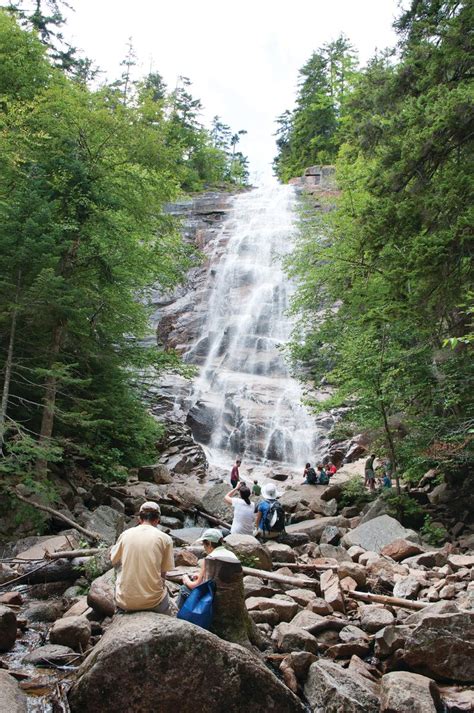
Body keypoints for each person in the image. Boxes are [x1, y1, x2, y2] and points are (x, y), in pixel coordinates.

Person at [110, 501, 174, 614]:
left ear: (139, 519)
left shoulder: (126, 534)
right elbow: (163, 573)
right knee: (168, 607)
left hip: (125, 601)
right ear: (158, 520)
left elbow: (113, 559)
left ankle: (120, 613)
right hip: (153, 601)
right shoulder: (165, 538)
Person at [178, 528, 239, 608]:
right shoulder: (232, 555)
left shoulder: (210, 559)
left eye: (204, 544)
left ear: (209, 543)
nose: (204, 548)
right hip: (231, 598)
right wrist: (201, 576)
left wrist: (186, 579)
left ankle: (181, 617)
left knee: (184, 589)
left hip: (212, 601)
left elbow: (194, 586)